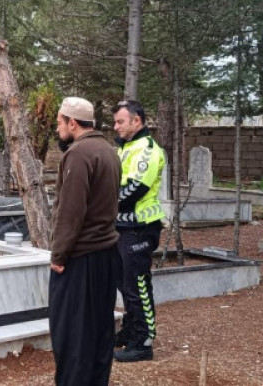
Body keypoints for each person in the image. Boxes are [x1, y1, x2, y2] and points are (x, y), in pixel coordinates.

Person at [49, 97, 121, 386]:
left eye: (59, 122)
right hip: (106, 253)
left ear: (72, 123)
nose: (57, 128)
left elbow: (71, 210)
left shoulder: (79, 154)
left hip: (80, 258)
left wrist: (59, 255)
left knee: (73, 334)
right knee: (99, 331)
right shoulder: (108, 150)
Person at [111, 99, 166, 363]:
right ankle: (131, 331)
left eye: (120, 121)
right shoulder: (125, 147)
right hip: (122, 227)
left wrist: (101, 204)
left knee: (138, 285)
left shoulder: (148, 149)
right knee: (124, 284)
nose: (116, 126)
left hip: (140, 227)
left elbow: (134, 189)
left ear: (137, 120)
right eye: (115, 122)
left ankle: (144, 342)